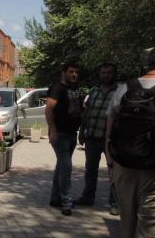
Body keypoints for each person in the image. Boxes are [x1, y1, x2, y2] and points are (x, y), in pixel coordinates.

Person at [106, 48, 155, 238]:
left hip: (124, 165)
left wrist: (110, 162)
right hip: (152, 171)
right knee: (148, 231)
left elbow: (110, 126)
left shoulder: (125, 88)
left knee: (128, 223)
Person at [75, 63, 119, 215]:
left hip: (111, 140)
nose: (106, 75)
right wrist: (81, 131)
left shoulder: (120, 91)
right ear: (100, 74)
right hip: (92, 136)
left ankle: (115, 203)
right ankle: (88, 197)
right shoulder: (93, 91)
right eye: (103, 73)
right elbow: (86, 112)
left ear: (114, 74)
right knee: (90, 170)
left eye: (109, 73)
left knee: (113, 171)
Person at [46, 63, 83, 216]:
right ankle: (66, 203)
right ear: (63, 73)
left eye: (76, 72)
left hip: (71, 133)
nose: (74, 74)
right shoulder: (57, 88)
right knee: (66, 168)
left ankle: (55, 198)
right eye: (71, 71)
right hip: (60, 134)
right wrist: (53, 131)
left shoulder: (74, 89)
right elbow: (48, 110)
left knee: (61, 166)